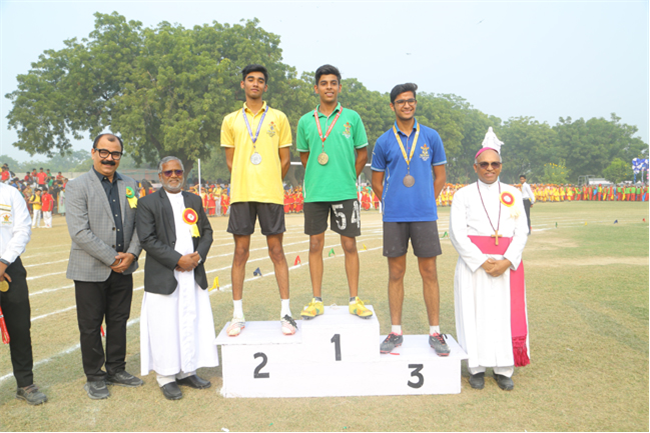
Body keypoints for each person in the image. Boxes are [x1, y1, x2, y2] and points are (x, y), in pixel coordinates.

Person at [371, 83, 450, 356]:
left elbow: (440, 176)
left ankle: (435, 332)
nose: (407, 105)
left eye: (411, 101)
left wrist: (426, 200)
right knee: (396, 273)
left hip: (424, 216)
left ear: (415, 103)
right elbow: (376, 181)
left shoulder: (431, 137)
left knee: (429, 272)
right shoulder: (383, 141)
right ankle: (396, 331)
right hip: (394, 217)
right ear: (392, 106)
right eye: (401, 101)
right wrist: (392, 203)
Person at [449, 129, 530, 391]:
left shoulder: (512, 193)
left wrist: (506, 260)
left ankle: (504, 368)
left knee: (504, 315)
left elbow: (522, 231)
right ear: (475, 167)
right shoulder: (462, 195)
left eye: (494, 164)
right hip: (474, 265)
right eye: (484, 164)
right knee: (474, 313)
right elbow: (457, 233)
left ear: (501, 166)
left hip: (507, 264)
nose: (489, 168)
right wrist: (483, 262)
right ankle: (476, 368)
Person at [65, 133, 143, 399]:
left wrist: (132, 254)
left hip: (125, 267)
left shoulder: (130, 184)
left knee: (119, 321)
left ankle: (116, 369)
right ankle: (95, 376)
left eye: (115, 153)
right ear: (93, 152)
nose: (109, 158)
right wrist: (112, 258)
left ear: (120, 156)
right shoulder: (77, 186)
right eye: (104, 152)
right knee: (90, 325)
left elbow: (139, 224)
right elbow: (79, 231)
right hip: (90, 269)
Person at [220, 64, 297, 336]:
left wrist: (269, 179)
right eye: (250, 79)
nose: (255, 84)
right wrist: (248, 178)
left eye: (260, 80)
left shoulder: (278, 117)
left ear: (265, 86)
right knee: (240, 252)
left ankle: (286, 313)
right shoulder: (231, 120)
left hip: (270, 194)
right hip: (241, 194)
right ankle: (237, 315)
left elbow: (285, 159)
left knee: (277, 251)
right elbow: (231, 161)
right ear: (243, 84)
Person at [136, 156, 218, 400]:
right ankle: (166, 376)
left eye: (178, 172)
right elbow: (147, 239)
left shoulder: (194, 200)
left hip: (193, 273)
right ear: (160, 176)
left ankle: (187, 371)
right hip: (165, 275)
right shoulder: (147, 202)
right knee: (165, 326)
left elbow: (207, 232)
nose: (174, 176)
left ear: (183, 174)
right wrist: (177, 260)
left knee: (191, 320)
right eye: (168, 172)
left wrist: (198, 257)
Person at [296, 64, 371, 320]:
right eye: (324, 83)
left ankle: (354, 299)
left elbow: (362, 154)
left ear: (339, 87)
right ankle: (316, 300)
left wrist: (348, 176)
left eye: (333, 83)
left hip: (345, 191)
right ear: (316, 88)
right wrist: (318, 176)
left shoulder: (352, 117)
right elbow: (305, 156)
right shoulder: (306, 121)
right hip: (316, 193)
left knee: (349, 244)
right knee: (315, 244)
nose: (329, 87)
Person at [0, 182, 48, 405]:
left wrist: (3, 262)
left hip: (10, 267)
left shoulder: (10, 193)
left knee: (19, 327)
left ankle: (25, 384)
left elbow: (22, 230)